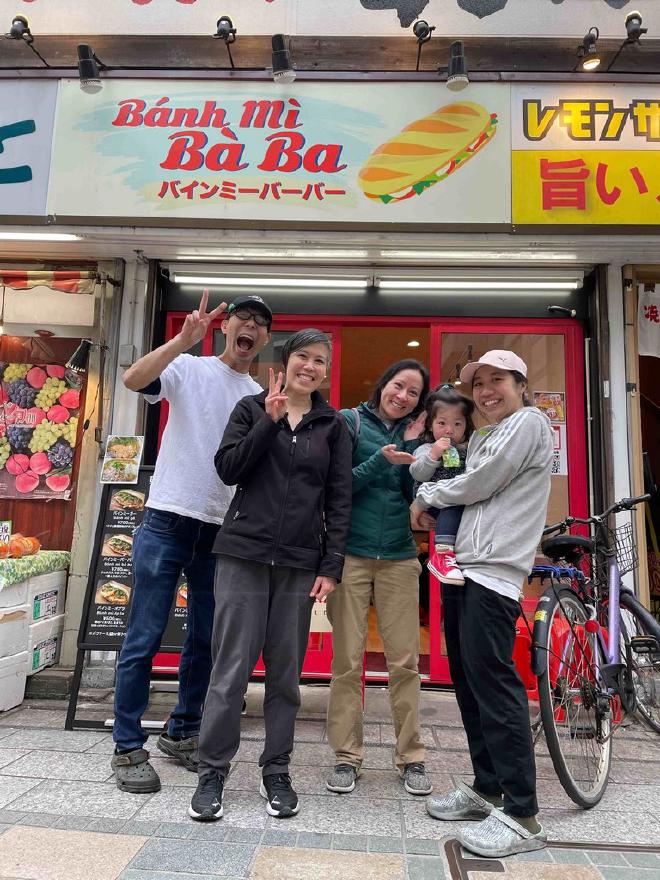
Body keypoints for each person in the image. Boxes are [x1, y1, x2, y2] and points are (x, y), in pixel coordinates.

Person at [111, 292, 272, 793]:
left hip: (220, 528)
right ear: (227, 327)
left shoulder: (257, 395)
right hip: (166, 519)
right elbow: (133, 379)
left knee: (206, 640)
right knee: (144, 635)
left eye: (260, 324)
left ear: (265, 339)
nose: (249, 327)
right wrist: (181, 339)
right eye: (242, 318)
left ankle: (182, 730)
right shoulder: (188, 367)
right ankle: (126, 743)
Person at [189, 329, 352, 822]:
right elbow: (228, 469)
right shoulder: (250, 408)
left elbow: (338, 500)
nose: (311, 366)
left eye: (320, 360)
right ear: (284, 361)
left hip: (300, 564)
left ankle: (276, 770)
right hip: (244, 555)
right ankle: (212, 770)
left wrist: (331, 565)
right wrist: (268, 421)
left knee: (286, 674)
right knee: (230, 670)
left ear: (326, 370)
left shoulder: (334, 426)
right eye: (303, 356)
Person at [410, 350, 554, 859]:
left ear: (521, 383)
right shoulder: (491, 434)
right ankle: (488, 786)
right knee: (469, 685)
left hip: (493, 573)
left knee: (496, 687)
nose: (488, 390)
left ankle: (523, 814)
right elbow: (468, 488)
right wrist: (439, 496)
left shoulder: (529, 422)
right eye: (480, 383)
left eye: (499, 380)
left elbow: (479, 484)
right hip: (464, 568)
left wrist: (428, 494)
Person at [325, 359, 433, 797]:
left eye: (413, 392)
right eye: (398, 385)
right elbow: (337, 487)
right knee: (347, 661)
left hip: (399, 557)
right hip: (350, 556)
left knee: (404, 663)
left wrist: (411, 456)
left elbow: (414, 498)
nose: (402, 396)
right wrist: (379, 459)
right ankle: (347, 756)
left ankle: (412, 757)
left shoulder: (418, 437)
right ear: (382, 384)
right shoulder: (348, 422)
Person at [409, 385, 475, 585]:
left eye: (457, 424)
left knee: (458, 507)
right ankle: (442, 552)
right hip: (433, 502)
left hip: (459, 503)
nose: (449, 430)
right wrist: (434, 455)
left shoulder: (468, 450)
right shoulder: (425, 448)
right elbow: (417, 472)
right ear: (430, 425)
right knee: (451, 505)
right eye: (442, 423)